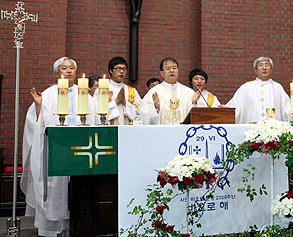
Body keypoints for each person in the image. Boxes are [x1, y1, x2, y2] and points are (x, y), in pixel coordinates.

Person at [20, 57, 117, 236]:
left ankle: (77, 226)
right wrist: (40, 108)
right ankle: (51, 229)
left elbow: (98, 118)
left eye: (72, 68)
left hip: (81, 154)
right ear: (57, 73)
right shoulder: (48, 94)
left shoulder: (84, 95)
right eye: (64, 68)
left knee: (77, 192)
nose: (69, 71)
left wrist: (106, 102)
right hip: (57, 154)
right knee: (55, 188)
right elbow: (36, 125)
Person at [226, 56, 291, 123]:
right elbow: (236, 105)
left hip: (273, 129)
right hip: (251, 128)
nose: (264, 68)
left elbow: (286, 108)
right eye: (260, 65)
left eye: (267, 65)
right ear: (255, 70)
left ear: (271, 70)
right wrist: (227, 110)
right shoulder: (246, 87)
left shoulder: (277, 87)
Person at [140, 57, 195, 124]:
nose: (172, 70)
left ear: (178, 70)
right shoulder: (154, 92)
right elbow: (143, 113)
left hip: (182, 132)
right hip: (162, 132)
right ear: (162, 73)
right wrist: (155, 108)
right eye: (168, 68)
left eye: (174, 68)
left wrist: (193, 103)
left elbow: (193, 116)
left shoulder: (188, 92)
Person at [107, 57, 142, 125]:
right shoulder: (102, 90)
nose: (122, 71)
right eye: (118, 68)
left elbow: (139, 113)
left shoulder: (132, 91)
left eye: (124, 69)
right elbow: (97, 111)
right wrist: (117, 101)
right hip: (108, 130)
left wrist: (125, 103)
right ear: (111, 70)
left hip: (128, 130)